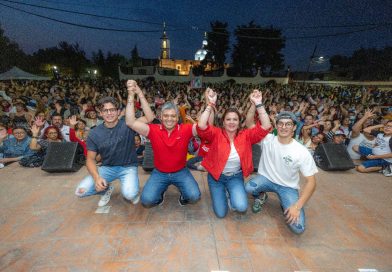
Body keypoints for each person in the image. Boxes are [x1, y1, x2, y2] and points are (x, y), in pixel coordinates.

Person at [197, 89, 271, 218]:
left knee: (241, 207)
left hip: (235, 177)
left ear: (239, 122)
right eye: (228, 119)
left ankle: (231, 192)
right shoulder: (216, 133)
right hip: (216, 178)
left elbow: (266, 126)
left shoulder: (246, 135)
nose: (231, 122)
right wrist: (210, 104)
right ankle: (224, 193)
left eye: (235, 119)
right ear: (223, 122)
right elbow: (202, 125)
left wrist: (258, 103)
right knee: (221, 214)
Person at [125, 80, 201, 207]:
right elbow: (130, 122)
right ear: (160, 117)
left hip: (181, 171)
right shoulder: (153, 130)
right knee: (147, 201)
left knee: (194, 196)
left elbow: (203, 126)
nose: (169, 119)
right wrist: (133, 94)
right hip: (160, 173)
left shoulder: (185, 129)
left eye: (173, 116)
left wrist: (210, 106)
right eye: (166, 116)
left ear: (177, 118)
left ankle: (184, 194)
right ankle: (160, 194)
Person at [75, 94, 154, 207]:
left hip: (128, 167)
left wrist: (139, 94)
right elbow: (90, 159)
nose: (109, 113)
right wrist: (97, 178)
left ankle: (132, 192)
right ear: (100, 113)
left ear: (118, 112)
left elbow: (150, 117)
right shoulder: (94, 133)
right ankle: (106, 189)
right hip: (107, 168)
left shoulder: (128, 125)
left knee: (130, 194)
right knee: (80, 191)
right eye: (105, 110)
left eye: (112, 110)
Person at [245, 111, 318, 234]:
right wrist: (254, 104)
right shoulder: (267, 139)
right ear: (276, 125)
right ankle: (261, 195)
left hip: (287, 188)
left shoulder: (301, 151)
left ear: (294, 127)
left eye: (288, 124)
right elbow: (249, 124)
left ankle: (287, 203)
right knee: (248, 188)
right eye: (281, 124)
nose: (284, 127)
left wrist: (297, 207)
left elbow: (312, 182)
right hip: (266, 180)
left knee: (298, 228)